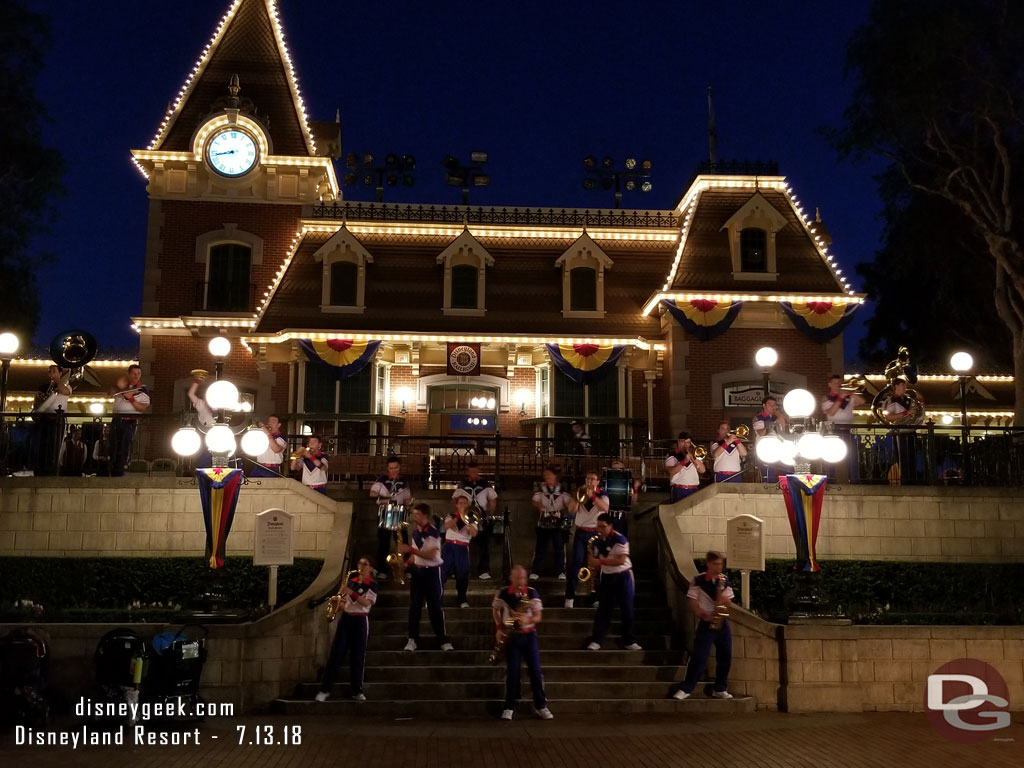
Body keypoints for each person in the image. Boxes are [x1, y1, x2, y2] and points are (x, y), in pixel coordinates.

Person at [493, 565, 553, 721]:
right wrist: (499, 627)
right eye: (518, 578)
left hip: (529, 635)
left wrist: (529, 619)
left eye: (523, 578)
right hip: (511, 636)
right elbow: (495, 609)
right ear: (511, 578)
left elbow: (538, 616)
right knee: (513, 672)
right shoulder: (504, 593)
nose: (521, 581)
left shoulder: (531, 592)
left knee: (535, 671)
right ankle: (509, 706)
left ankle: (541, 706)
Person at [672, 551, 734, 700]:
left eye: (721, 564)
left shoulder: (724, 580)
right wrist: (702, 614)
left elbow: (729, 600)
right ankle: (686, 688)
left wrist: (724, 601)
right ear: (709, 564)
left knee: (726, 656)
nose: (719, 567)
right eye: (716, 564)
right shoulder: (698, 580)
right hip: (706, 622)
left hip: (721, 623)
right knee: (699, 656)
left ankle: (720, 688)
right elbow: (692, 600)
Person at [315, 556, 377, 702]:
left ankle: (357, 690)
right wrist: (338, 603)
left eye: (365, 564)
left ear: (370, 568)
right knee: (336, 654)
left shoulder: (372, 585)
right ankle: (325, 689)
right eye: (359, 563)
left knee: (358, 656)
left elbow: (366, 603)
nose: (361, 566)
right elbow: (344, 601)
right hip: (346, 619)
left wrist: (351, 593)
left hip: (360, 620)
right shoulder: (351, 582)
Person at [398, 503, 453, 652]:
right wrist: (405, 564)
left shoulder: (433, 532)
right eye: (414, 514)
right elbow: (417, 554)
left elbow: (431, 555)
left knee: (435, 607)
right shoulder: (416, 532)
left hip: (432, 573)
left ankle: (442, 639)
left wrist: (408, 550)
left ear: (425, 516)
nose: (415, 517)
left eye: (417, 514)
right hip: (418, 573)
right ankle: (412, 639)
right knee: (414, 606)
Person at [585, 513, 642, 651]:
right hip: (608, 576)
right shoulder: (596, 541)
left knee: (627, 609)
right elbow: (595, 560)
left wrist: (600, 561)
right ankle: (597, 639)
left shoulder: (620, 539)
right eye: (597, 526)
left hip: (624, 576)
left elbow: (621, 560)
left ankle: (629, 640)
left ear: (610, 526)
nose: (599, 529)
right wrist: (593, 567)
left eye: (602, 527)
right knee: (604, 609)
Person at [564, 470, 609, 608]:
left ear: (597, 482)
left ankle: (595, 597)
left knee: (594, 566)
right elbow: (571, 510)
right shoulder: (579, 492)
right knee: (576, 563)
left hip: (595, 534)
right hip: (580, 532)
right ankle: (570, 597)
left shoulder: (603, 495)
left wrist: (593, 496)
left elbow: (606, 508)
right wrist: (578, 499)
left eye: (593, 479)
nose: (590, 481)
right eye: (588, 478)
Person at [370, 456, 412, 581]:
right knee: (384, 542)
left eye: (396, 468)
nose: (393, 470)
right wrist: (384, 497)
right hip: (386, 513)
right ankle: (382, 570)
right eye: (391, 468)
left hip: (399, 512)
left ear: (399, 467)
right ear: (388, 468)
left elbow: (408, 497)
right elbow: (372, 493)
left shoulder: (404, 481)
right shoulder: (382, 480)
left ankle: (406, 569)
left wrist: (408, 502)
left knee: (402, 542)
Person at [455, 462, 499, 580]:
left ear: (479, 470)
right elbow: (455, 498)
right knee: (461, 543)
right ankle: (461, 569)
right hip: (465, 516)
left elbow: (493, 499)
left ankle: (484, 570)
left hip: (480, 516)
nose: (473, 473)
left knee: (483, 544)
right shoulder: (463, 484)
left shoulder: (485, 484)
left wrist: (490, 511)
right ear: (468, 471)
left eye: (475, 471)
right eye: (471, 471)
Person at [530, 466, 572, 581]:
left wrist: (570, 507)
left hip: (558, 521)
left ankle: (561, 571)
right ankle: (535, 571)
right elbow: (534, 500)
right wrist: (540, 506)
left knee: (559, 546)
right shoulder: (541, 488)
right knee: (541, 546)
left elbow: (569, 503)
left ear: (555, 476)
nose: (547, 477)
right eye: (545, 475)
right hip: (544, 519)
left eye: (549, 475)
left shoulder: (562, 489)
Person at [108, 365, 150, 477]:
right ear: (129, 374)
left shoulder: (142, 390)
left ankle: (121, 469)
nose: (136, 376)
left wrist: (131, 398)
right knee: (113, 445)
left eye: (139, 373)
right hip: (116, 420)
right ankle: (111, 468)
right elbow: (110, 393)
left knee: (124, 446)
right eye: (134, 373)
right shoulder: (122, 386)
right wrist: (119, 386)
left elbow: (142, 408)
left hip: (129, 421)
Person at [822, 375, 864, 484]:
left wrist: (851, 392)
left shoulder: (848, 398)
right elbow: (831, 412)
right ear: (829, 384)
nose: (837, 385)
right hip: (834, 431)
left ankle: (854, 481)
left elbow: (862, 401)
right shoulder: (826, 398)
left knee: (852, 457)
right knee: (832, 457)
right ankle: (831, 480)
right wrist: (840, 398)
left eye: (839, 383)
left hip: (848, 431)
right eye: (835, 383)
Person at [31, 365, 71, 476]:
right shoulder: (44, 388)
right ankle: (40, 469)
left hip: (56, 420)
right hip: (44, 420)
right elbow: (37, 403)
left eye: (54, 371)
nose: (51, 373)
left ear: (60, 373)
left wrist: (58, 380)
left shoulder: (66, 385)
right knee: (42, 445)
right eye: (49, 371)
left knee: (54, 446)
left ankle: (52, 470)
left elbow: (64, 391)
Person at [442, 491, 478, 607]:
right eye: (460, 503)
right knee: (442, 573)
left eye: (465, 503)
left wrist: (467, 521)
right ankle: (436, 598)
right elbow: (447, 526)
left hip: (462, 547)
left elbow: (474, 533)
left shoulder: (472, 519)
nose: (463, 505)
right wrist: (459, 516)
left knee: (462, 575)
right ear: (456, 505)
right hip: (449, 547)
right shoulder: (450, 516)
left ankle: (462, 599)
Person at [752, 396, 787, 482]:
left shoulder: (776, 417)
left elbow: (784, 429)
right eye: (769, 404)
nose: (772, 406)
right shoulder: (758, 418)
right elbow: (762, 433)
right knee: (767, 474)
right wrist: (772, 424)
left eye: (774, 404)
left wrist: (779, 415)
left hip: (777, 447)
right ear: (764, 405)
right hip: (764, 449)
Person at [665, 432, 705, 503]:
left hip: (693, 489)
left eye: (688, 442)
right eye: (683, 442)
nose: (685, 445)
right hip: (678, 489)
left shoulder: (694, 454)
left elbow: (702, 470)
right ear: (678, 442)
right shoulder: (672, 455)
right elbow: (670, 472)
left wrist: (693, 458)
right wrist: (684, 461)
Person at [186, 374, 215, 468]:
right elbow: (191, 394)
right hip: (205, 432)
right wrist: (197, 381)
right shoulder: (202, 404)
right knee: (204, 456)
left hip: (220, 433)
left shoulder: (223, 405)